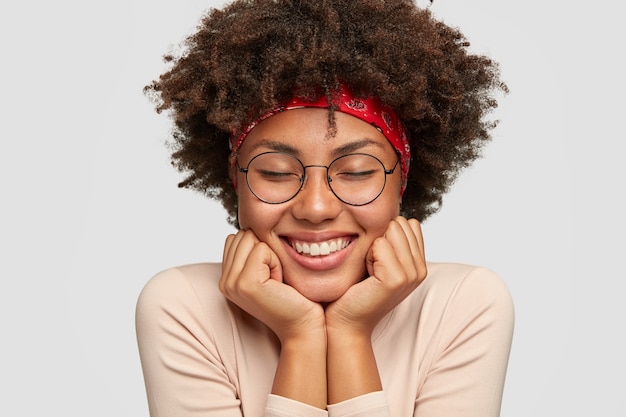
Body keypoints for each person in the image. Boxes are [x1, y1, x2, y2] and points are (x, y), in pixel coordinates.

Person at [135, 1, 514, 416]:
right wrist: (301, 338)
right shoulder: (185, 306)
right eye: (277, 172)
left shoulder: (464, 303)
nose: (315, 207)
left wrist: (350, 334)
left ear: (401, 180)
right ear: (236, 181)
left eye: (355, 171)